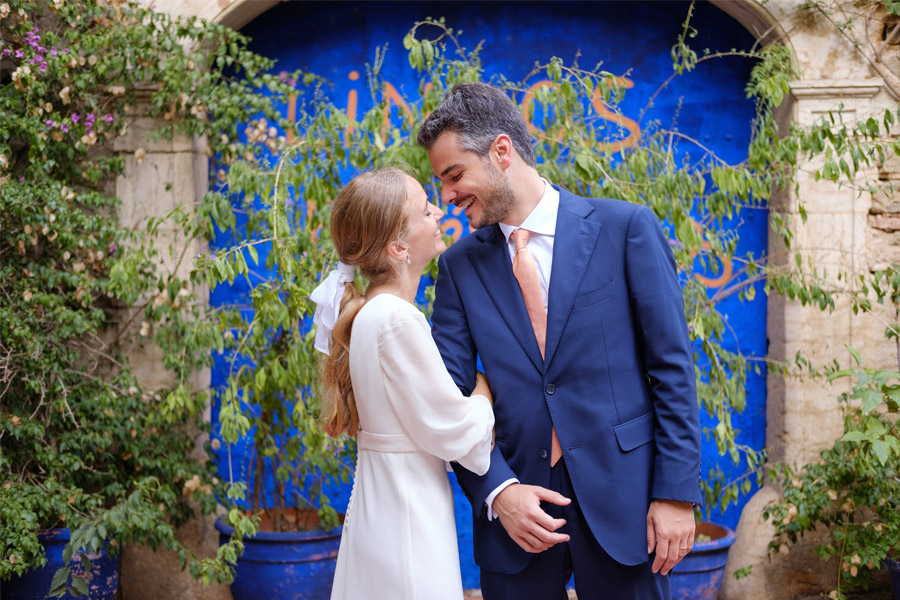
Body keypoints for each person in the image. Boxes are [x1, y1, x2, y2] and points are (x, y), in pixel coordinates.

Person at [418, 82, 703, 600]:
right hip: (516, 515)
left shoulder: (625, 229)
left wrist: (676, 495)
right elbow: (450, 399)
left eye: (454, 175)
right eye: (441, 183)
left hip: (627, 506)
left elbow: (671, 368)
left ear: (501, 152)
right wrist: (498, 492)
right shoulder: (459, 268)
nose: (448, 197)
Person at [312, 168, 495, 600]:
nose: (438, 213)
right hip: (407, 508)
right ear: (398, 247)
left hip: (387, 499)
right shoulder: (395, 319)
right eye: (425, 210)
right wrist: (484, 389)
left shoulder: (372, 314)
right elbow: (454, 430)